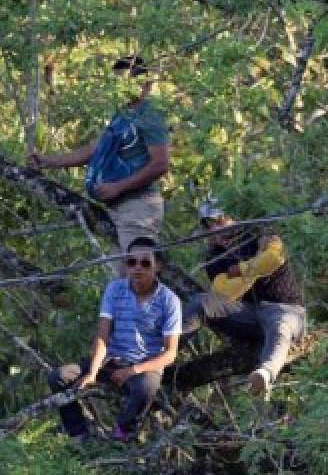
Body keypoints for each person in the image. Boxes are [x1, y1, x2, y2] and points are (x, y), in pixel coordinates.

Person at [28, 56, 170, 274]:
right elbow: (97, 149)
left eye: (127, 80)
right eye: (118, 81)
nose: (121, 86)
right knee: (119, 276)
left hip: (139, 207)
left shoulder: (149, 115)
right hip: (118, 207)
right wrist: (48, 161)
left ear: (145, 83)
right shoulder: (121, 115)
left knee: (135, 277)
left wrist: (118, 187)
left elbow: (160, 164)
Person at [46, 237, 182, 442]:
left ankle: (121, 435)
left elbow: (170, 353)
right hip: (110, 362)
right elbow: (102, 335)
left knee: (146, 387)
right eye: (131, 262)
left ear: (158, 267)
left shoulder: (169, 300)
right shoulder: (115, 289)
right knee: (58, 376)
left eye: (145, 263)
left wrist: (133, 370)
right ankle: (79, 434)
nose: (137, 268)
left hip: (143, 368)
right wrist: (92, 371)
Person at [182, 198, 305, 398]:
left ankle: (265, 373)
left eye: (219, 221)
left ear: (234, 218)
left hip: (285, 309)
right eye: (208, 224)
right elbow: (225, 291)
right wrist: (255, 266)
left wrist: (242, 269)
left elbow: (274, 258)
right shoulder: (215, 258)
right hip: (248, 315)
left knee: (280, 326)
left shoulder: (261, 235)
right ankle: (167, 352)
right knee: (201, 302)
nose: (214, 228)